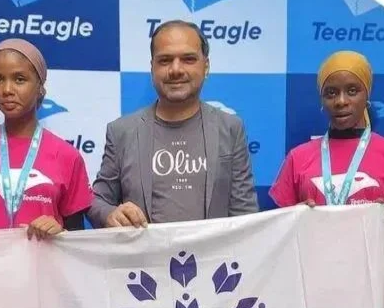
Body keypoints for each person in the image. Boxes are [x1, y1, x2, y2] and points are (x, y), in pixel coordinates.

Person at [87, 20, 258, 228]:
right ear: (152, 68)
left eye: (188, 59)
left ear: (206, 66)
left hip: (213, 250)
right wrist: (109, 214)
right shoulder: (122, 131)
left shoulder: (231, 128)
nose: (176, 69)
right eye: (165, 60)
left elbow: (245, 214)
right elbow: (96, 200)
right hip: (144, 250)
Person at [269, 50, 384, 247]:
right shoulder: (297, 157)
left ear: (366, 95)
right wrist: (295, 221)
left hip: (371, 267)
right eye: (331, 93)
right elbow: (278, 236)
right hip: (315, 265)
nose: (341, 101)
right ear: (322, 100)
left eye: (352, 91)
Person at [0, 39, 92, 239]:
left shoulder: (68, 156)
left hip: (44, 260)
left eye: (19, 79)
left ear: (40, 87)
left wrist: (61, 233)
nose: (7, 89)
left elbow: (78, 237)